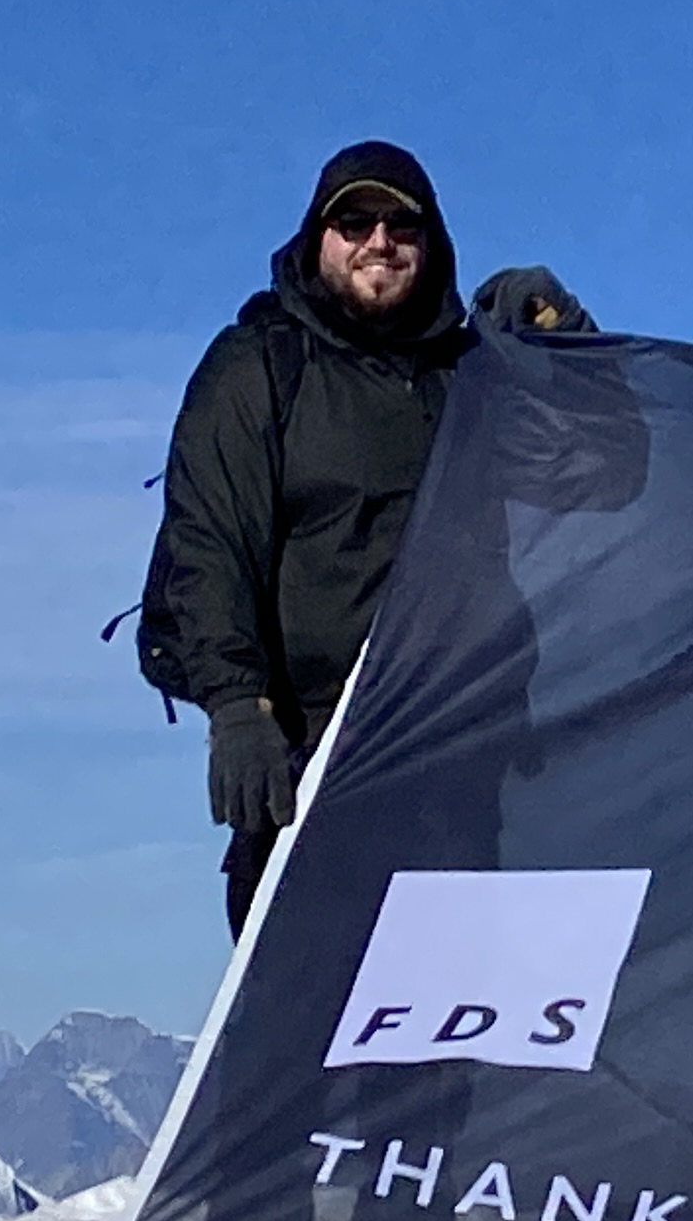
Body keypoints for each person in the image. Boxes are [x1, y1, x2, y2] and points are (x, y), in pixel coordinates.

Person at [135, 141, 588, 935]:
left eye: (399, 224)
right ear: (319, 238)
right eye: (354, 221)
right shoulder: (261, 365)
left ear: (431, 243)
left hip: (464, 764)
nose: (378, 241)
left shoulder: (477, 377)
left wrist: (571, 349)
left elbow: (603, 476)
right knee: (308, 1033)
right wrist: (238, 705)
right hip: (309, 766)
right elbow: (209, 540)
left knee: (452, 1039)